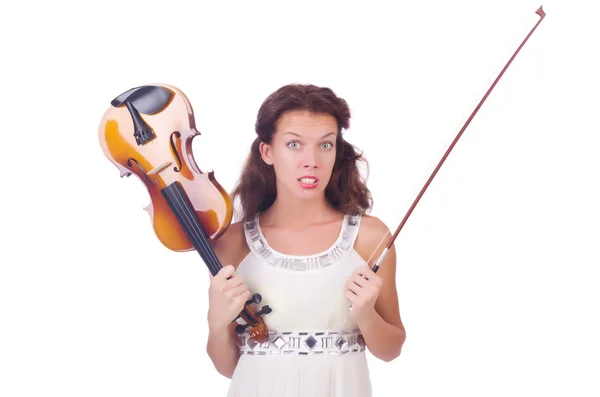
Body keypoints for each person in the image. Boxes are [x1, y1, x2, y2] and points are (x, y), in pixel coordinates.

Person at [207, 83, 406, 397]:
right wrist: (217, 324)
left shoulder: (369, 238)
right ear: (267, 151)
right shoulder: (232, 243)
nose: (311, 160)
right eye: (294, 145)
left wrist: (366, 316)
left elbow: (391, 349)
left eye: (325, 145)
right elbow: (229, 367)